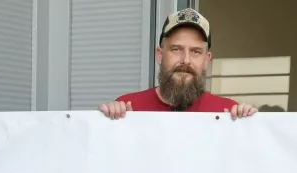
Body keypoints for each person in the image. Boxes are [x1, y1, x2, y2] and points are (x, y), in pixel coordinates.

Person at [98, 8, 256, 120]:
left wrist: (250, 125)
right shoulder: (129, 108)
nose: (186, 60)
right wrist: (109, 121)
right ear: (160, 55)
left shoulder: (227, 113)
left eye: (195, 52)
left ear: (206, 60)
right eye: (176, 49)